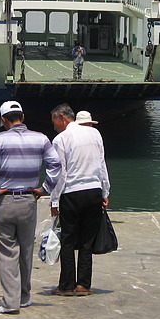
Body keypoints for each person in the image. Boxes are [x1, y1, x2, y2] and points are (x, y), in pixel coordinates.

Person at [0, 101, 62, 314]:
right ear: (23, 117)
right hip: (29, 200)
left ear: (4, 120)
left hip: (5, 201)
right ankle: (25, 297)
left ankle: (10, 302)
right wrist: (44, 189)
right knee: (26, 249)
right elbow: (56, 164)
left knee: (7, 253)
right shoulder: (41, 139)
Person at [49, 104, 110, 297]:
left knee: (68, 240)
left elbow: (61, 173)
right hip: (93, 191)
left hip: (72, 193)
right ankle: (83, 284)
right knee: (87, 240)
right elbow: (101, 165)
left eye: (55, 122)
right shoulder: (95, 134)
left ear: (62, 118)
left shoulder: (61, 139)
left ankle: (66, 285)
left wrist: (54, 200)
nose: (54, 126)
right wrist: (105, 192)